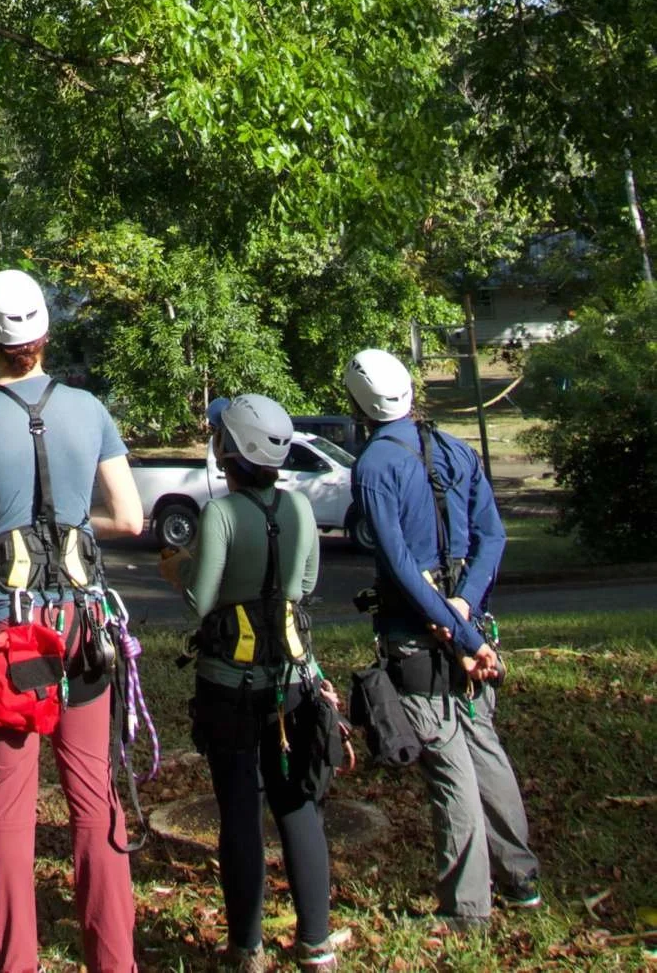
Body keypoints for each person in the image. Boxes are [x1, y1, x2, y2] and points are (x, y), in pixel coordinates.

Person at [0, 270, 145, 973]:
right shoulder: (90, 409)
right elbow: (131, 516)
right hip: (84, 624)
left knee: (10, 800)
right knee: (94, 796)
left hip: (6, 629)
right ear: (45, 333)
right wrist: (78, 527)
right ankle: (114, 959)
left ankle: (14, 960)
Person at [344, 348, 540, 929]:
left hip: (417, 632)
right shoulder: (454, 448)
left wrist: (451, 623)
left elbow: (400, 562)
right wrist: (467, 615)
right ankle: (520, 878)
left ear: (359, 403)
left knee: (449, 764)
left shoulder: (375, 465)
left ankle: (467, 909)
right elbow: (492, 539)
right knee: (485, 747)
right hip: (466, 622)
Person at [163, 395, 340, 973]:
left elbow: (202, 601)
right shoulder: (298, 510)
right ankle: (316, 943)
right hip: (291, 682)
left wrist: (178, 569)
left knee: (240, 810)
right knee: (297, 806)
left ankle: (247, 947)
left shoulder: (220, 515)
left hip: (229, 686)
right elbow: (305, 583)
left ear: (230, 451)